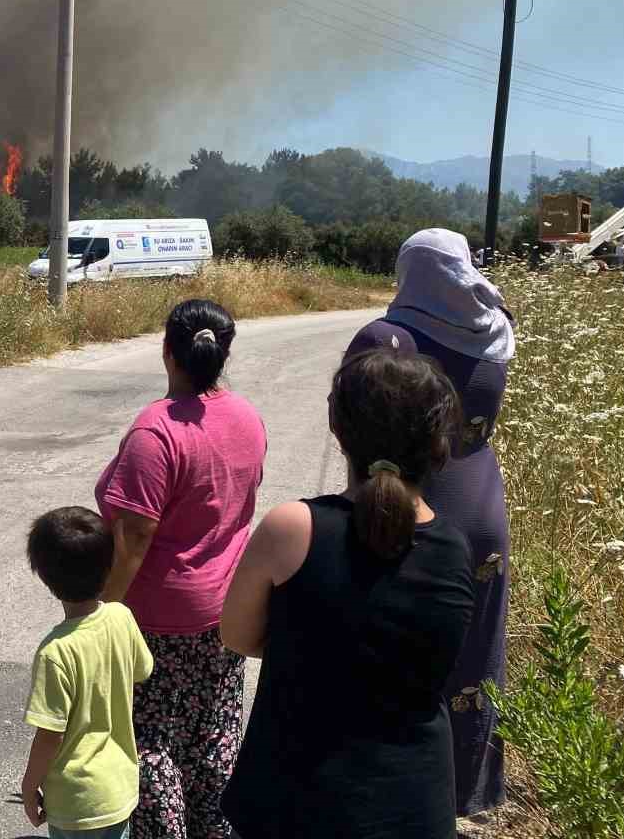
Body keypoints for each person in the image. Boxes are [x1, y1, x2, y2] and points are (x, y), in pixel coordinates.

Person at [218, 348, 475, 839]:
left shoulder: (292, 529)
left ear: (338, 430)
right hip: (414, 802)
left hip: (296, 798)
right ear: (437, 446)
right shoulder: (454, 548)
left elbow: (236, 635)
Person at [343, 228, 514, 817]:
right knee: (471, 653)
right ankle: (461, 795)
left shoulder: (386, 337)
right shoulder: (494, 328)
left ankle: (399, 799)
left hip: (412, 506)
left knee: (399, 652)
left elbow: (356, 432)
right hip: (484, 503)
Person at [95, 299, 268, 839]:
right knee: (213, 735)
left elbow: (135, 536)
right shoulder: (246, 417)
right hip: (227, 612)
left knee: (151, 741)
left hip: (159, 619)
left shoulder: (156, 433)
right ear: (223, 355)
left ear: (168, 352)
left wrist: (104, 609)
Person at [23, 507, 155, 839]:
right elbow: (144, 669)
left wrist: (29, 785)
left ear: (45, 577)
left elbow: (50, 734)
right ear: (109, 567)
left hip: (76, 802)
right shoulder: (121, 616)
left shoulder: (56, 651)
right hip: (119, 788)